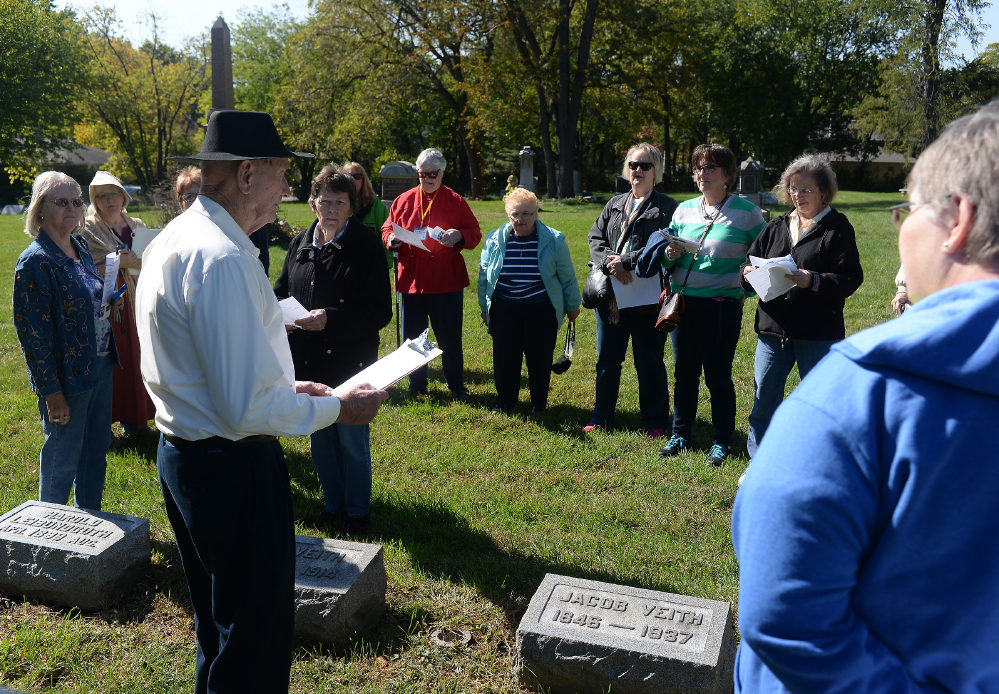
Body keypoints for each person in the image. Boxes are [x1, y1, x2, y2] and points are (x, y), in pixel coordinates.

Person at [731, 100, 999, 694]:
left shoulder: (860, 395)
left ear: (957, 219)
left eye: (908, 209)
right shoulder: (780, 227)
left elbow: (784, 615)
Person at [135, 110, 388, 694]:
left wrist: (282, 388)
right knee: (252, 640)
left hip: (188, 456)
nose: (291, 190)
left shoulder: (182, 238)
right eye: (281, 173)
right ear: (247, 175)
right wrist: (339, 409)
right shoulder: (220, 258)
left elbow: (213, 368)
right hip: (231, 465)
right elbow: (243, 410)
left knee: (220, 628)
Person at [274, 165, 392, 536]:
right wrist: (284, 316)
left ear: (352, 207)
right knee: (319, 436)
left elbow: (379, 311)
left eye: (339, 202)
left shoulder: (366, 245)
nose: (330, 209)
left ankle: (357, 513)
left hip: (350, 361)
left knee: (350, 436)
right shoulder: (301, 243)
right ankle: (332, 505)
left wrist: (331, 318)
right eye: (324, 201)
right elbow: (279, 291)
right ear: (312, 203)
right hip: (307, 360)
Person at [638, 144, 765, 466]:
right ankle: (680, 434)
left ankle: (722, 440)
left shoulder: (747, 213)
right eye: (698, 168)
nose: (702, 174)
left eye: (710, 168)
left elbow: (762, 257)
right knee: (685, 373)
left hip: (721, 306)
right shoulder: (684, 210)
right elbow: (670, 254)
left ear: (728, 175)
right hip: (682, 304)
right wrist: (670, 255)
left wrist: (744, 290)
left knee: (718, 375)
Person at [740, 155, 863, 458]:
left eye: (806, 190)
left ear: (823, 191)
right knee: (764, 402)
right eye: (794, 189)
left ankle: (820, 462)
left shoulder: (837, 228)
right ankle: (759, 463)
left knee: (822, 405)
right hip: (773, 331)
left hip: (818, 334)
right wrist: (748, 275)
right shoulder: (776, 226)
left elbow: (850, 278)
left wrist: (813, 281)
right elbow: (749, 267)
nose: (798, 196)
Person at [13, 171, 121, 510]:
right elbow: (34, 336)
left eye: (77, 201)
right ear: (40, 209)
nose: (72, 207)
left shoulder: (81, 245)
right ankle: (51, 533)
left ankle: (90, 519)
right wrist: (52, 393)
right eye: (62, 201)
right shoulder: (34, 262)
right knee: (63, 456)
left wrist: (107, 298)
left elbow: (85, 295)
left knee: (95, 449)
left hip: (101, 362)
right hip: (66, 376)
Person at [585, 143, 678, 438]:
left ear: (656, 173)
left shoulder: (666, 207)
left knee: (648, 360)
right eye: (633, 165)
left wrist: (626, 261)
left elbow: (663, 244)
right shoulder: (614, 203)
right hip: (611, 296)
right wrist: (610, 264)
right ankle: (602, 416)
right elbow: (595, 236)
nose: (638, 171)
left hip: (647, 297)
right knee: (607, 360)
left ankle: (655, 421)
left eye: (645, 166)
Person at [381, 148, 481, 400]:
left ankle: (456, 385)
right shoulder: (403, 200)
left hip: (445, 280)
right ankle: (416, 384)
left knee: (449, 336)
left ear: (442, 173)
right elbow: (387, 227)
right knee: (413, 337)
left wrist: (458, 235)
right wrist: (391, 238)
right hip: (412, 279)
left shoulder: (455, 201)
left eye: (432, 174)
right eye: (422, 174)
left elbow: (474, 232)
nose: (426, 179)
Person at [478, 187, 581, 412]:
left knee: (539, 358)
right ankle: (506, 401)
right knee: (505, 358)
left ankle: (538, 403)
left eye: (526, 214)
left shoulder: (554, 240)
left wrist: (573, 306)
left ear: (536, 214)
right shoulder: (495, 239)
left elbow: (567, 276)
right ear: (508, 215)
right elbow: (484, 275)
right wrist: (485, 308)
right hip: (504, 307)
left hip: (540, 308)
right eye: (515, 214)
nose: (520, 219)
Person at [78, 170, 156, 438]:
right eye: (102, 196)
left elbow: (153, 262)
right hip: (109, 308)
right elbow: (84, 269)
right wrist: (119, 262)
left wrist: (141, 261)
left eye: (114, 193)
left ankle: (135, 421)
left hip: (139, 302)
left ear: (123, 196)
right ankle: (104, 426)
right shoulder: (87, 229)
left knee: (138, 361)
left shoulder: (138, 225)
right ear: (94, 200)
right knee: (113, 366)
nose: (110, 199)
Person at [344, 161, 390, 231]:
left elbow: (385, 235)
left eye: (357, 176)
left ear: (363, 181)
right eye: (348, 176)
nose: (352, 180)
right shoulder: (335, 204)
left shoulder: (377, 206)